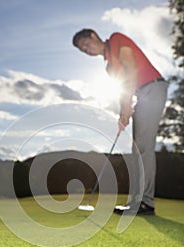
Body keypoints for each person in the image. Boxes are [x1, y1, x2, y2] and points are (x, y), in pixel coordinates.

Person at [72, 29, 168, 215]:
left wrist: (127, 107)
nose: (87, 50)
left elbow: (131, 68)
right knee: (137, 150)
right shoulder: (109, 68)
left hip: (152, 88)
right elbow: (122, 88)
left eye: (86, 44)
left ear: (93, 35)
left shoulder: (116, 39)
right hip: (142, 94)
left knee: (143, 149)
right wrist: (123, 112)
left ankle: (145, 203)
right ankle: (137, 202)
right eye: (83, 50)